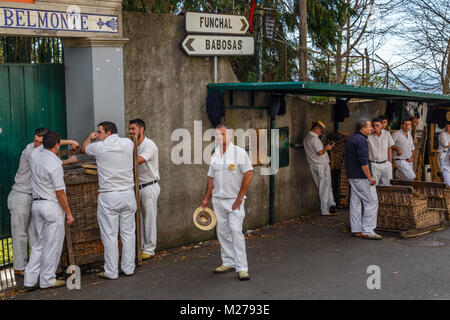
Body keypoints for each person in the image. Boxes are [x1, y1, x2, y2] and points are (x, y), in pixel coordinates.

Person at [7, 128, 78, 276]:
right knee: (20, 233)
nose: (37, 144)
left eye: (41, 141)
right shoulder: (30, 150)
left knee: (35, 236)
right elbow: (51, 163)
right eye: (36, 141)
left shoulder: (41, 151)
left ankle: (36, 270)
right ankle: (20, 268)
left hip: (33, 197)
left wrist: (70, 142)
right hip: (21, 194)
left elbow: (53, 145)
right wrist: (69, 157)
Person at [81, 121, 136, 279]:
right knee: (128, 233)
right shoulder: (127, 143)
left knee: (110, 235)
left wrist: (89, 138)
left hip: (109, 196)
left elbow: (83, 148)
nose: (97, 135)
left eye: (99, 132)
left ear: (108, 133)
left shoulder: (99, 147)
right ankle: (128, 268)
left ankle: (111, 272)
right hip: (128, 194)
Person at [201, 123, 253, 281]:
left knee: (235, 231)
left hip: (234, 201)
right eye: (217, 134)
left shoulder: (239, 153)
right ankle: (228, 262)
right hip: (218, 200)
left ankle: (242, 268)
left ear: (230, 135)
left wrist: (239, 197)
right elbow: (211, 178)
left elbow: (249, 174)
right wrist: (206, 199)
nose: (220, 137)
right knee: (222, 232)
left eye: (223, 134)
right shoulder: (215, 153)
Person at [24, 132, 75, 290]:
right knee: (52, 245)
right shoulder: (55, 164)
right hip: (51, 207)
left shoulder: (35, 155)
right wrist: (68, 213)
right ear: (57, 145)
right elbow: (60, 192)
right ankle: (47, 279)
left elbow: (46, 143)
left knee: (38, 245)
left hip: (36, 205)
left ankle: (29, 280)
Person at [128, 118, 160, 259]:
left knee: (149, 218)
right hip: (136, 187)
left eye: (133, 129)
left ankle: (149, 249)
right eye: (129, 129)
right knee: (138, 219)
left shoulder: (149, 145)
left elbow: (138, 160)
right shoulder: (131, 144)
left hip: (149, 186)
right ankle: (140, 248)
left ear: (141, 129)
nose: (130, 131)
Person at [345, 119, 381, 240]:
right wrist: (370, 177)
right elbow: (363, 162)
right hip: (361, 176)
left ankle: (356, 229)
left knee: (355, 202)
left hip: (352, 175)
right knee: (371, 202)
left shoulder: (351, 138)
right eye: (370, 126)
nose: (372, 129)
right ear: (363, 129)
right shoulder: (362, 140)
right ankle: (368, 230)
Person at [302, 120, 337, 216]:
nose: (321, 133)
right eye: (320, 131)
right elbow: (320, 152)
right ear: (317, 129)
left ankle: (331, 205)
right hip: (321, 165)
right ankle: (325, 210)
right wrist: (327, 148)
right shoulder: (314, 139)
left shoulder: (306, 138)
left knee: (325, 186)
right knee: (324, 188)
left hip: (313, 164)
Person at [367, 118, 395, 185]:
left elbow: (389, 148)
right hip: (374, 164)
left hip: (386, 163)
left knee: (388, 185)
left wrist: (390, 162)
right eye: (373, 126)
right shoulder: (368, 136)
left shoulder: (387, 134)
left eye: (377, 125)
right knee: (373, 185)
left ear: (382, 125)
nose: (375, 127)